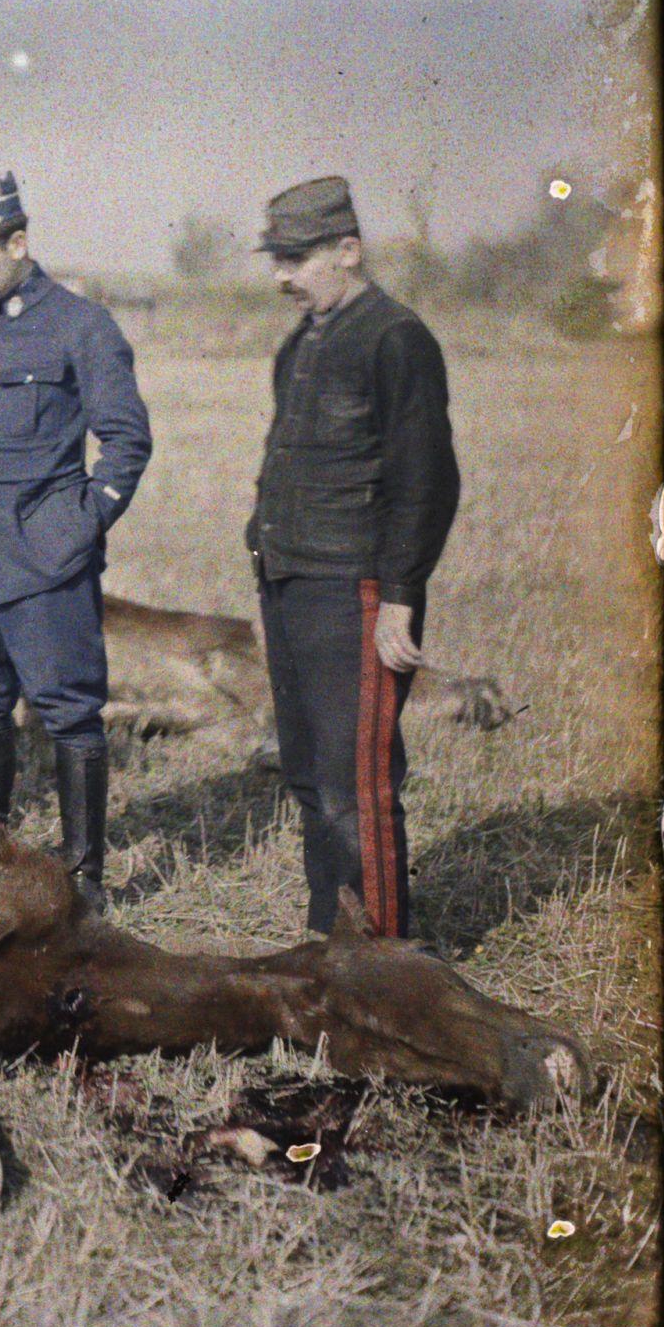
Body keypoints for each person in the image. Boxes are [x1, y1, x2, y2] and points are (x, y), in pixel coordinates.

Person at [0, 171, 153, 912]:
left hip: (41, 554)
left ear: (18, 241)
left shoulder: (83, 324)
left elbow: (126, 442)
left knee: (69, 711)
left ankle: (84, 877)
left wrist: (75, 529)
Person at [249, 176, 459, 939]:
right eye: (276, 258)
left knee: (355, 786)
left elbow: (426, 479)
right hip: (291, 584)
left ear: (348, 249)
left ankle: (383, 971)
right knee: (308, 778)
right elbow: (282, 467)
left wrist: (400, 594)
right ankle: (328, 950)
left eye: (297, 258)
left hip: (356, 592)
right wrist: (264, 577)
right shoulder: (301, 343)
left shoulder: (395, 338)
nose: (282, 277)